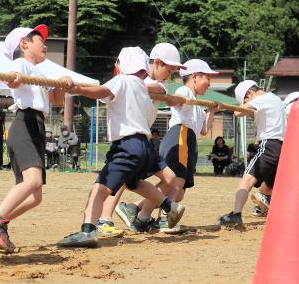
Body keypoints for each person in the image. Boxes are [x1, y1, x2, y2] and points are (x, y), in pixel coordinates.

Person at [57, 47, 185, 247]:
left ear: (123, 65)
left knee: (98, 190)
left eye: (117, 62)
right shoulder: (143, 87)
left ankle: (88, 230)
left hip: (126, 145)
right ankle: (169, 206)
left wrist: (76, 89)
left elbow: (103, 91)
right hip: (144, 145)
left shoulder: (123, 80)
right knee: (136, 183)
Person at [0, 23, 67, 253]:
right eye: (39, 39)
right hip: (24, 123)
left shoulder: (39, 72)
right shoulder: (20, 64)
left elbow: (56, 100)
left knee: (35, 197)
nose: (45, 43)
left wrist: (63, 84)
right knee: (33, 181)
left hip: (34, 125)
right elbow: (13, 80)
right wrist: (15, 78)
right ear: (24, 43)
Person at [102, 42, 184, 235]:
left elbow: (158, 88)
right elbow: (150, 87)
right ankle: (105, 218)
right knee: (120, 180)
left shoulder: (155, 85)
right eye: (169, 70)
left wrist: (166, 93)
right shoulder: (136, 79)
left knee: (170, 177)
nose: (170, 76)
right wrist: (164, 92)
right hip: (126, 136)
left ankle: (136, 208)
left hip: (142, 139)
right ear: (156, 63)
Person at [153, 59, 217, 231]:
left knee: (178, 191)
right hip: (180, 135)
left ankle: (139, 208)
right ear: (194, 77)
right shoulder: (185, 91)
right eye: (207, 79)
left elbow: (204, 131)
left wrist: (211, 111)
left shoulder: (199, 105)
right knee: (177, 182)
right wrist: (175, 100)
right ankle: (164, 220)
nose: (209, 84)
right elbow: (177, 100)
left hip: (189, 139)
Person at [218, 80, 285, 226]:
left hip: (268, 146)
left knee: (246, 181)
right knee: (271, 185)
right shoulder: (276, 99)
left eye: (245, 99)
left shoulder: (261, 99)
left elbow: (237, 112)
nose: (246, 101)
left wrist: (232, 107)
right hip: (283, 147)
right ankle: (269, 207)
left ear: (249, 93)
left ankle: (236, 214)